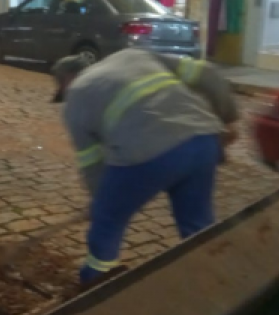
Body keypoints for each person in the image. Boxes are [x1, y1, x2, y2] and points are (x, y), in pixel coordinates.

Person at [52, 49, 238, 285]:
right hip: (202, 141)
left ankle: (95, 283)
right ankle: (211, 280)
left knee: (107, 223)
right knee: (197, 224)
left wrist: (99, 202)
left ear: (66, 80)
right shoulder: (133, 55)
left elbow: (92, 164)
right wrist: (230, 119)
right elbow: (208, 74)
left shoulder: (76, 97)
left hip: (147, 153)